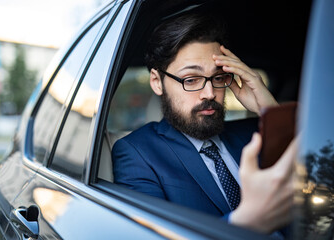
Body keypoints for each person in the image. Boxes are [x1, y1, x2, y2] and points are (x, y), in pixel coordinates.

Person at [112, 12, 296, 234]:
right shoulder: (137, 152)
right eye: (191, 80)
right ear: (156, 82)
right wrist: (246, 223)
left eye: (218, 78)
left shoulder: (256, 132)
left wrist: (268, 109)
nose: (209, 93)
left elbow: (317, 170)